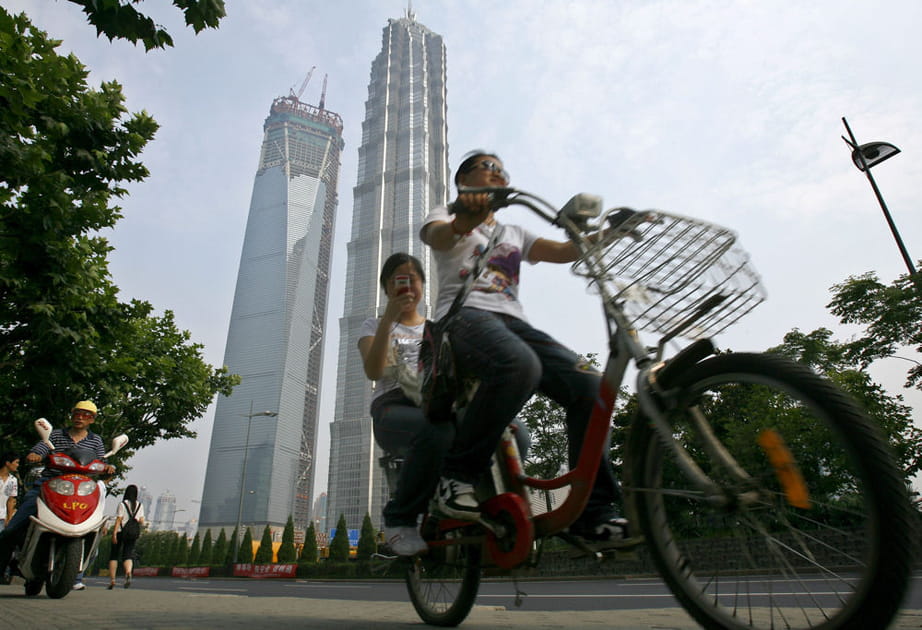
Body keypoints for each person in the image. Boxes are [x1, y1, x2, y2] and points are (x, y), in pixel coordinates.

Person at [419, 150, 629, 546]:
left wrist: (612, 232)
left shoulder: (515, 233)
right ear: (464, 180)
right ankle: (456, 477)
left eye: (501, 170)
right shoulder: (446, 214)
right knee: (520, 366)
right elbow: (437, 236)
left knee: (592, 387)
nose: (496, 174)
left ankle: (593, 513)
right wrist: (467, 214)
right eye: (487, 167)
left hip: (514, 323)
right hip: (464, 318)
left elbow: (566, 251)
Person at [358, 253, 455, 556]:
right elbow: (375, 371)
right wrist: (389, 318)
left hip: (436, 405)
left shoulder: (438, 330)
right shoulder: (373, 325)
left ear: (423, 285)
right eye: (397, 281)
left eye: (412, 279)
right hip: (393, 407)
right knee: (437, 432)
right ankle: (398, 515)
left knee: (507, 432)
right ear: (386, 288)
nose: (406, 287)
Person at [0, 400, 115, 576]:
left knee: (96, 524)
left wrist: (108, 468)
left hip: (81, 490)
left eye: (86, 415)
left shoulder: (95, 441)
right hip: (50, 483)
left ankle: (83, 562)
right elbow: (41, 447)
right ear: (72, 415)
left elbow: (103, 461)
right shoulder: (55, 435)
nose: (80, 418)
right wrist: (35, 455)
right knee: (12, 527)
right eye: (77, 413)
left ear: (92, 420)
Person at [108, 484, 144, 589]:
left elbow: (119, 519)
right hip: (132, 533)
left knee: (114, 555)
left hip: (120, 532)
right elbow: (141, 520)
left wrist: (114, 533)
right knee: (128, 554)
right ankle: (128, 572)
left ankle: (112, 580)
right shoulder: (140, 505)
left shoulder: (122, 504)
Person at [0, 452, 19, 532]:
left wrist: (9, 518)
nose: (17, 465)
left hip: (2, 517)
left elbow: (11, 500)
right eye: (16, 462)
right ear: (8, 463)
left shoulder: (13, 480)